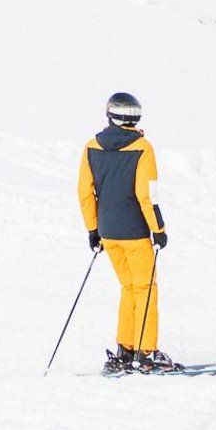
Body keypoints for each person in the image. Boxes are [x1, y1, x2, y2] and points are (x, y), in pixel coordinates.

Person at [76, 90, 176, 374]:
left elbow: (85, 192)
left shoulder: (91, 147)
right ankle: (147, 354)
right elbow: (147, 195)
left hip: (108, 232)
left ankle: (125, 349)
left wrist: (93, 229)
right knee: (145, 289)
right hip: (134, 232)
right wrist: (159, 229)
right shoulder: (143, 147)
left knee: (129, 288)